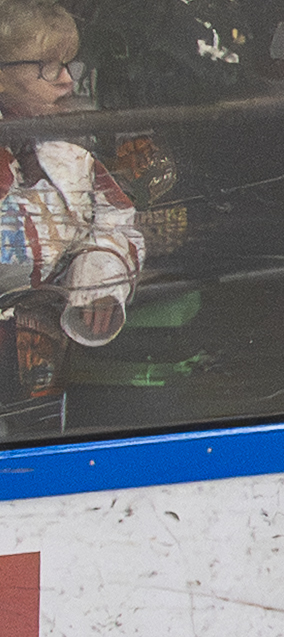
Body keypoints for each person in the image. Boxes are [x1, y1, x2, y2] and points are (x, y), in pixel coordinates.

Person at [0, 0, 143, 437]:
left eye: (66, 64)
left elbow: (116, 222)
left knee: (35, 453)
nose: (66, 81)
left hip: (42, 348)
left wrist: (98, 284)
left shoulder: (69, 154)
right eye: (46, 67)